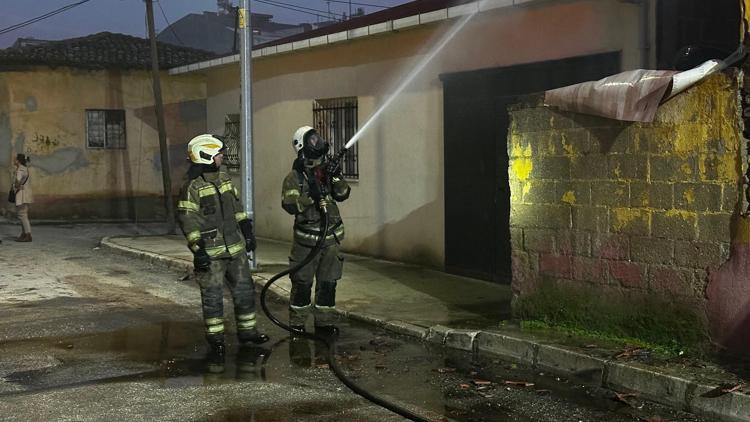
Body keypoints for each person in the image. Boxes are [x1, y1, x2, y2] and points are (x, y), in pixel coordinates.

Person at [176, 134, 269, 355]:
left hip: (235, 250)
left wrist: (247, 231)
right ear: (206, 155)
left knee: (245, 292)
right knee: (213, 298)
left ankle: (248, 333)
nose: (222, 157)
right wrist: (198, 251)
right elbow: (188, 221)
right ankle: (215, 339)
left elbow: (237, 208)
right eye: (219, 154)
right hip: (211, 255)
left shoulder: (225, 179)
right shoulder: (192, 187)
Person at [281, 126, 350, 337]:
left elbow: (343, 194)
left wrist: (335, 176)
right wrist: (312, 194)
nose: (317, 142)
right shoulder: (294, 177)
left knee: (328, 284)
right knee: (302, 284)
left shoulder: (328, 171)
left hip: (331, 241)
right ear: (302, 146)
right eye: (312, 140)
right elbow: (290, 205)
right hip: (306, 244)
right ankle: (298, 324)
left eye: (317, 138)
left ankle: (324, 324)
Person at [12, 154, 33, 242]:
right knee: (23, 215)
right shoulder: (25, 168)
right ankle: (24, 234)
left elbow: (18, 182)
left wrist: (15, 185)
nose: (14, 160)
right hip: (26, 194)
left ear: (18, 161)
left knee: (22, 215)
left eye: (15, 159)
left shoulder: (20, 170)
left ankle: (28, 235)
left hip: (22, 195)